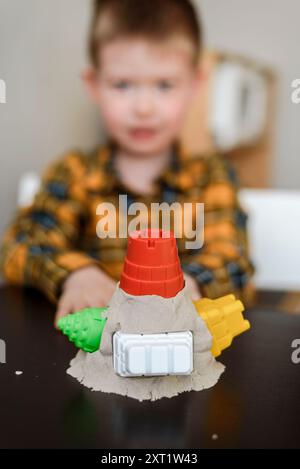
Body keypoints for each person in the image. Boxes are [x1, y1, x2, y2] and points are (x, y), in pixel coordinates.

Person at [0, 0, 255, 328]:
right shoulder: (77, 172)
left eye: (164, 85)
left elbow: (232, 258)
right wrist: (77, 274)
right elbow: (21, 243)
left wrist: (190, 284)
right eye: (123, 85)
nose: (144, 107)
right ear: (94, 85)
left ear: (195, 85)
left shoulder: (211, 176)